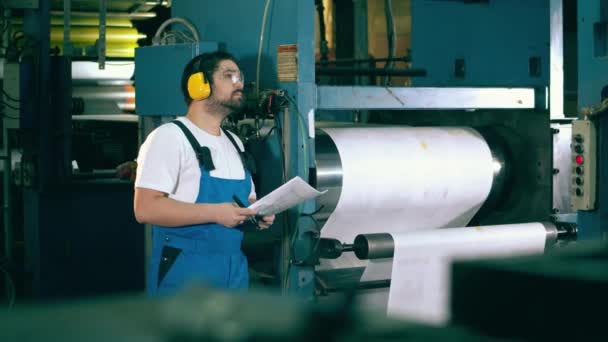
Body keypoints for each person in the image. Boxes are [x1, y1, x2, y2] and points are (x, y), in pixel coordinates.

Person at [133, 51, 275, 295]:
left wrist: (256, 212)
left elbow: (244, 201)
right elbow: (145, 209)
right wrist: (215, 213)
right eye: (228, 76)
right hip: (187, 271)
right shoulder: (169, 137)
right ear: (199, 86)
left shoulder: (235, 142)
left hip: (234, 270)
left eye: (239, 77)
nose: (238, 83)